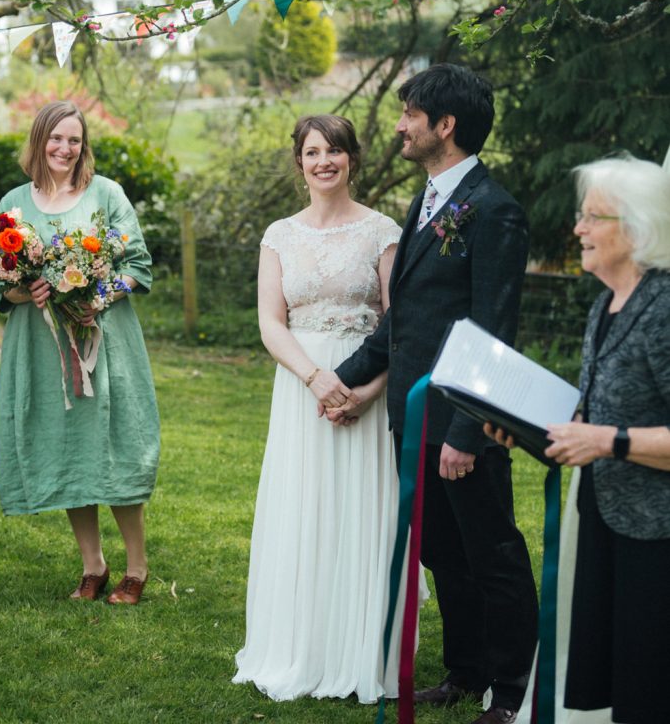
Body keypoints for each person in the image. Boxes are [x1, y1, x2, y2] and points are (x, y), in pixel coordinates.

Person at [315, 64, 539, 724]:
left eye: (410, 112)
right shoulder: (429, 201)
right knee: (440, 552)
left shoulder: (494, 211)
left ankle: (511, 688)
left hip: (461, 422)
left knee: (490, 551)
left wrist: (467, 432)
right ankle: (465, 670)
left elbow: (492, 330)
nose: (399, 123)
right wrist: (342, 376)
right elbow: (407, 320)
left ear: (444, 125)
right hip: (410, 420)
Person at [233, 113, 418, 703]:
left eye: (334, 151)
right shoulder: (279, 234)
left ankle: (362, 648)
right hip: (301, 388)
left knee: (361, 510)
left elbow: (398, 322)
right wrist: (315, 379)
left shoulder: (383, 232)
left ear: (352, 159)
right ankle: (299, 644)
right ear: (299, 163)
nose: (324, 162)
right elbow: (269, 321)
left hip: (368, 386)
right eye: (313, 153)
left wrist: (367, 390)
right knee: (303, 506)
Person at [488, 154, 670, 724]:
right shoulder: (605, 305)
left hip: (657, 534)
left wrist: (608, 442)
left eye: (594, 218)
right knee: (620, 682)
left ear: (637, 229)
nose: (578, 230)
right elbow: (592, 416)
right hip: (605, 520)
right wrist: (525, 431)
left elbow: (606, 431)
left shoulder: (665, 309)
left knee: (651, 685)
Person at [0, 101, 160, 605]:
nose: (66, 148)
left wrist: (97, 299)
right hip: (42, 349)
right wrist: (26, 292)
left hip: (103, 343)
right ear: (39, 139)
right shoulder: (13, 204)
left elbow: (138, 264)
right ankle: (93, 566)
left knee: (116, 445)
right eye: (56, 138)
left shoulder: (106, 194)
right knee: (67, 447)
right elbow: (1, 285)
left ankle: (137, 567)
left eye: (75, 140)